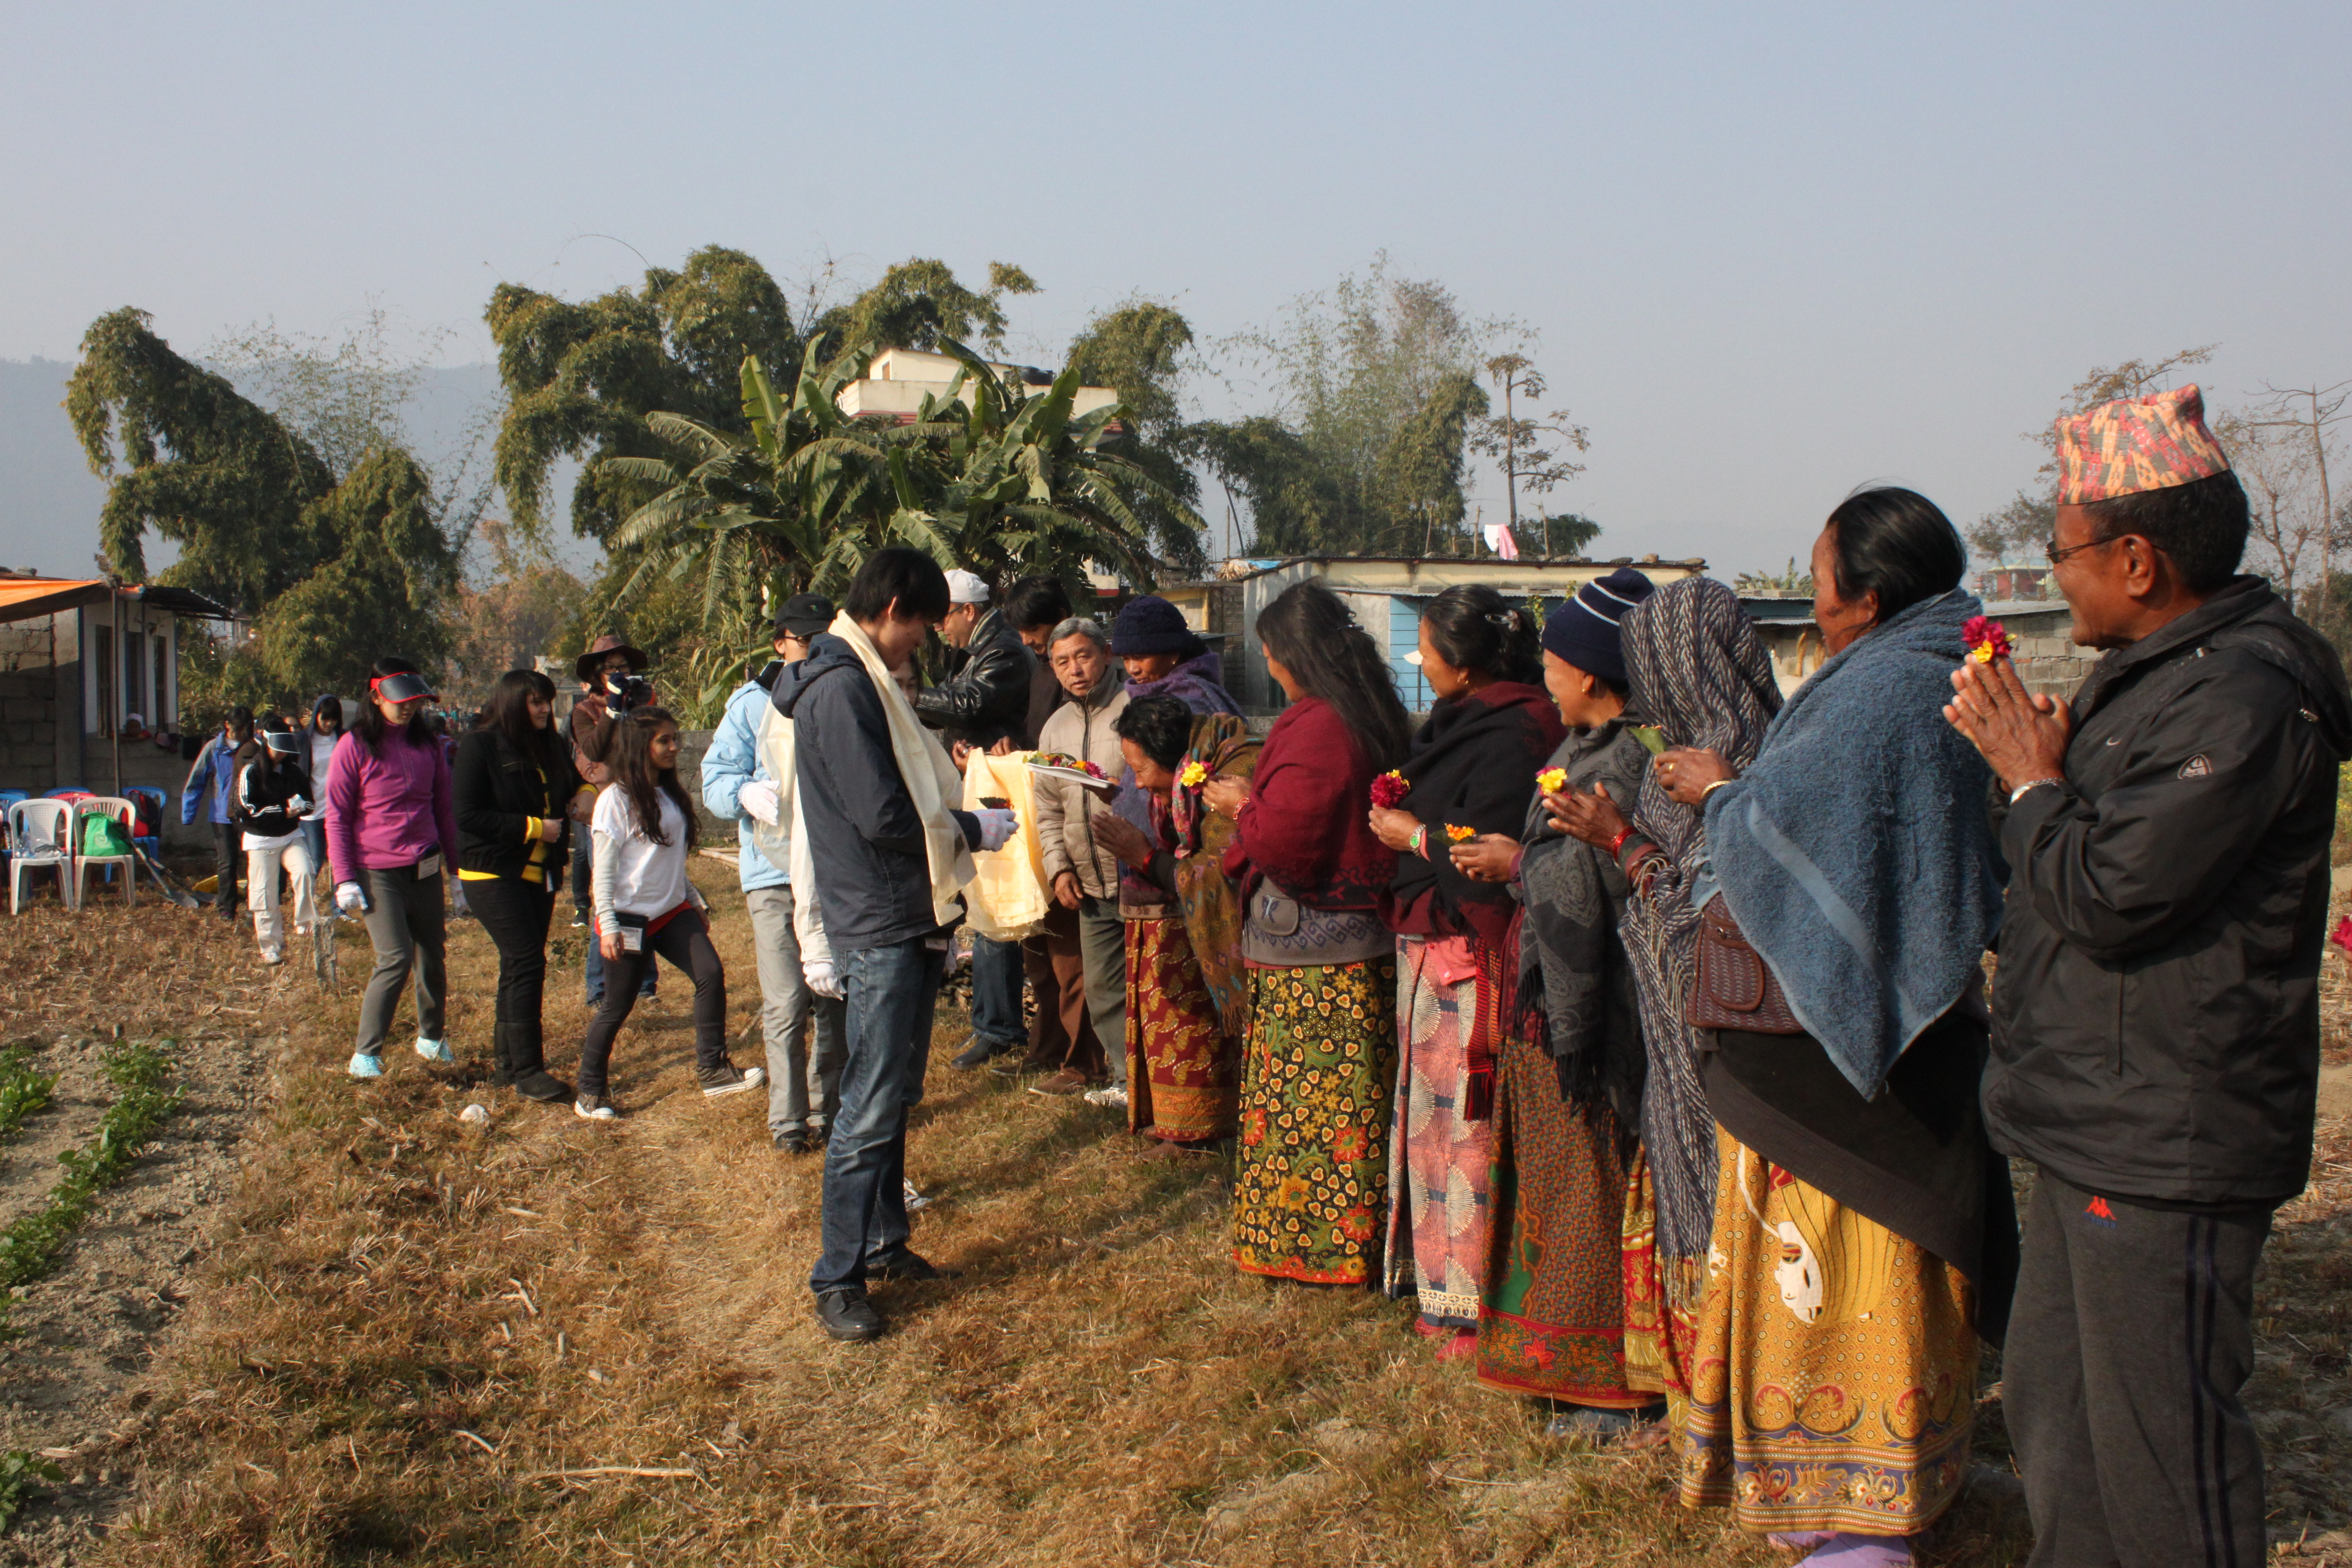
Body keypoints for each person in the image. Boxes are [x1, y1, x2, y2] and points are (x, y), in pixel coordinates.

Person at [1947, 387, 2350, 1568]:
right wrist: (2033, 778)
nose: (2051, 576)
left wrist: (2030, 781)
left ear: (2132, 559)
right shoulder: (2155, 674)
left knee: (2159, 1451)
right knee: (2058, 1414)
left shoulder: (2241, 693)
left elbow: (2107, 892)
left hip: (2166, 1135)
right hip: (2094, 1118)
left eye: (2060, 552)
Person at [1567, 494, 2011, 1561]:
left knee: (1838, 1288)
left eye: (1819, 582)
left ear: (1865, 595)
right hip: (1873, 1042)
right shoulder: (1930, 665)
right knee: (1883, 1279)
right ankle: (1897, 1477)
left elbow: (1776, 842)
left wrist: (1719, 800)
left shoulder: (1880, 696)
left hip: (1825, 1057)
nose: (1811, 603)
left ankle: (1854, 1509)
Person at [1543, 577, 1781, 1404]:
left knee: (1723, 1212)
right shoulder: (1764, 745)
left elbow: (1716, 907)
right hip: (1702, 1033)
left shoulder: (1713, 764)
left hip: (1719, 1034)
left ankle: (1717, 1398)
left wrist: (1620, 842)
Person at [775, 548, 1017, 1342]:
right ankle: (837, 1276)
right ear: (890, 611)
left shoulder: (861, 682)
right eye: (920, 624)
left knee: (891, 1099)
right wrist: (973, 828)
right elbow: (883, 816)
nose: (923, 641)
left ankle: (883, 1242)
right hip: (878, 917)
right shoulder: (843, 689)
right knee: (868, 1104)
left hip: (904, 913)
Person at [1448, 566, 1666, 1434]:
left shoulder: (1618, 764)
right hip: (1547, 1008)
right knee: (1557, 1187)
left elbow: (1593, 878)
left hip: (1590, 1020)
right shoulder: (1576, 752)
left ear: (1590, 673)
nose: (1542, 673)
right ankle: (1556, 1364)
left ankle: (1607, 1384)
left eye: (1553, 660)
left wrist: (1517, 864)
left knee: (1589, 1191)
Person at [1365, 586, 1564, 1354]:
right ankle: (1436, 1286)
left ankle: (1472, 1301)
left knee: (1466, 1137)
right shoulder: (1462, 726)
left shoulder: (1516, 735)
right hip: (1427, 956)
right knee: (1431, 1133)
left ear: (1465, 665)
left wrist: (1418, 841)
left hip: (1467, 964)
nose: (1422, 664)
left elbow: (1488, 854)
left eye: (1427, 651)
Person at [1210, 580, 1407, 1287]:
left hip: (1316, 957)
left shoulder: (1319, 725)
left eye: (1270, 654)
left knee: (1309, 1108)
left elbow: (1290, 840)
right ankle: (1354, 1242)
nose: (1270, 669)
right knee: (1352, 1101)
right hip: (1361, 943)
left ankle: (1312, 1244)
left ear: (1291, 654)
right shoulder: (1368, 708)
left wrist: (1242, 806)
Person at [701, 592, 848, 1153]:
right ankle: (788, 1122)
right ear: (779, 643)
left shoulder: (836, 691)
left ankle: (827, 1111)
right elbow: (714, 780)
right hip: (773, 875)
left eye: (820, 641)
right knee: (786, 1000)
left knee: (830, 995)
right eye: (802, 642)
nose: (811, 652)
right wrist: (743, 791)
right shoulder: (750, 704)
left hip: (830, 870)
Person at [1088, 695, 1258, 1151]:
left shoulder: (1226, 777)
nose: (1138, 785)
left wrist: (1143, 857)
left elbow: (1219, 873)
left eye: (1140, 770)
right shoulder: (1183, 783)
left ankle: (1206, 1129)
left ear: (1171, 757)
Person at [576, 706, 762, 1118]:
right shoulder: (614, 801)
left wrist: (692, 899)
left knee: (710, 973)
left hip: (671, 911)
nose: (675, 747)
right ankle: (590, 1092)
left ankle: (713, 1070)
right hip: (627, 920)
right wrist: (607, 926)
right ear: (641, 745)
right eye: (665, 740)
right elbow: (602, 876)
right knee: (617, 1006)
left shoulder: (668, 794)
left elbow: (668, 860)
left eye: (675, 738)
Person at [918, 569, 1039, 1073]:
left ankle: (999, 1026)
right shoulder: (977, 650)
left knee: (996, 908)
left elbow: (969, 703)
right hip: (986, 784)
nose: (940, 628)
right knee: (986, 908)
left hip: (1000, 792)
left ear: (968, 611)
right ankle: (995, 1021)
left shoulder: (1003, 651)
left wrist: (904, 697)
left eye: (944, 616)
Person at [325, 660, 462, 1080]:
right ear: (376, 697)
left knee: (432, 954)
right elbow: (337, 816)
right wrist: (344, 877)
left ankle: (431, 1037)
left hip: (423, 866)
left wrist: (458, 874)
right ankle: (366, 1054)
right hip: (376, 869)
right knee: (395, 957)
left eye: (415, 702)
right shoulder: (354, 745)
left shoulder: (428, 746)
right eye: (400, 702)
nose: (408, 709)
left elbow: (443, 808)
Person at [453, 669, 583, 1105]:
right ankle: (529, 1070)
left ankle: (507, 1067)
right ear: (512, 703)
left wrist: (583, 792)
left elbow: (571, 779)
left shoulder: (551, 743)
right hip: (492, 872)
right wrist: (532, 828)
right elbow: (467, 815)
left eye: (547, 700)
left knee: (517, 964)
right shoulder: (480, 745)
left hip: (540, 873)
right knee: (527, 960)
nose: (545, 709)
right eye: (535, 702)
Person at [1031, 618, 1129, 1102]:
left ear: (1107, 654)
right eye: (1062, 661)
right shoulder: (1055, 729)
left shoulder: (1134, 710)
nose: (1075, 670)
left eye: (1083, 656)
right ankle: (1128, 1082)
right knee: (1104, 990)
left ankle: (1165, 1086)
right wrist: (1059, 867)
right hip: (1089, 883)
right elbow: (1046, 809)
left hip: (1140, 876)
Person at [570, 635, 657, 1008]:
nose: (619, 673)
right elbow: (593, 749)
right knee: (606, 897)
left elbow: (654, 741)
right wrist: (612, 709)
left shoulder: (644, 701)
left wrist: (635, 706)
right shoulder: (584, 711)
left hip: (642, 805)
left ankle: (645, 986)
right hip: (606, 810)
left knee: (646, 892)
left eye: (624, 667)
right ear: (596, 674)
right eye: (611, 668)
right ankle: (599, 989)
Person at [234, 719, 318, 967]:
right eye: (277, 748)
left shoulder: (293, 771)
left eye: (286, 749)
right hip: (261, 841)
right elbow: (246, 810)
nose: (282, 754)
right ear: (266, 743)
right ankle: (270, 946)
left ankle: (305, 925)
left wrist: (301, 807)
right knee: (265, 895)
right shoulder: (251, 771)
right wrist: (283, 811)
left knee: (305, 872)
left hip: (291, 836)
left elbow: (310, 801)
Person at [181, 705, 254, 921]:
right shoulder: (214, 748)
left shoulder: (254, 747)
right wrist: (189, 814)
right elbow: (196, 782)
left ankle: (255, 907)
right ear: (228, 725)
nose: (241, 733)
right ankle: (226, 909)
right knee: (227, 863)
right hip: (223, 815)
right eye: (237, 729)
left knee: (255, 861)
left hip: (249, 813)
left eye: (245, 729)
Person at [300, 695, 343, 879]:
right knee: (315, 860)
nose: (329, 723)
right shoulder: (304, 740)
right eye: (325, 718)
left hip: (338, 807)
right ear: (316, 716)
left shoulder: (343, 738)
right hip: (313, 810)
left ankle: (339, 905)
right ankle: (307, 899)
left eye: (333, 719)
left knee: (339, 860)